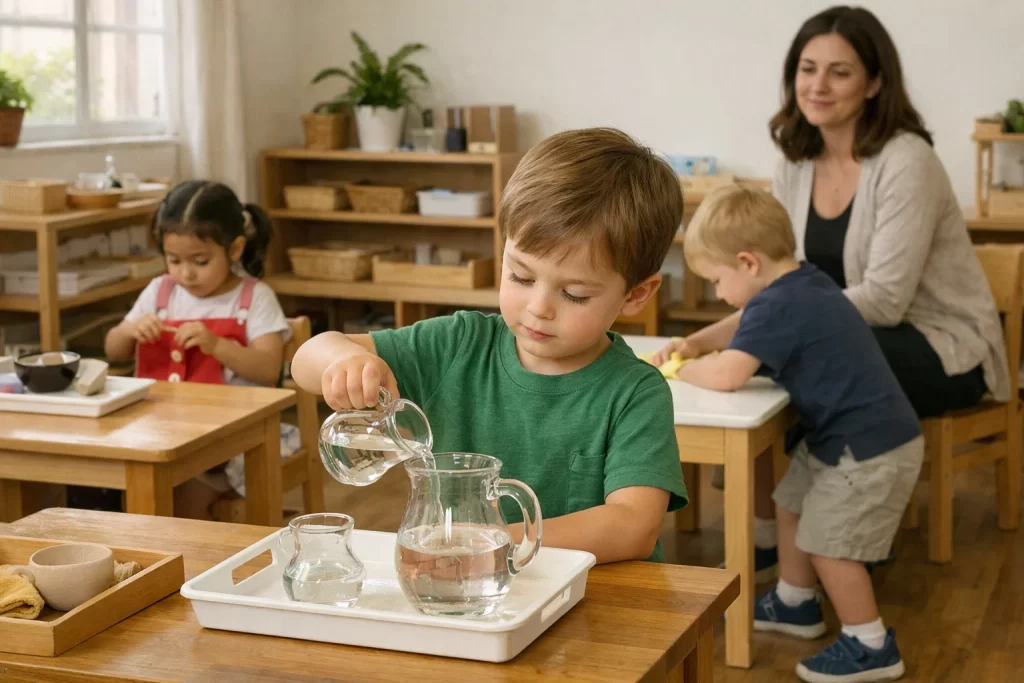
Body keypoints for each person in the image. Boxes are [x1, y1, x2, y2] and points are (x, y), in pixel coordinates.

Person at [655, 4, 1010, 579]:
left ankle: (845, 530)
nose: (818, 85)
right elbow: (779, 291)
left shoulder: (907, 161)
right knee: (773, 357)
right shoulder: (795, 162)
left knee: (787, 362)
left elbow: (882, 301)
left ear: (874, 83)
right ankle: (772, 535)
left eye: (839, 72)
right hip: (838, 328)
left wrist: (748, 340)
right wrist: (705, 340)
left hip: (939, 345)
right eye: (807, 68)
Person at [291, 128, 688, 564]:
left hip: (596, 593)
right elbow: (306, 359)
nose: (539, 308)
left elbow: (634, 526)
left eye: (574, 294)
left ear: (636, 294)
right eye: (521, 276)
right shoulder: (458, 345)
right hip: (465, 583)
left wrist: (491, 541)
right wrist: (345, 359)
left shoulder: (635, 392)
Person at [674, 183, 921, 682]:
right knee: (791, 503)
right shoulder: (802, 281)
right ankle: (794, 600)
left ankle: (870, 644)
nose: (717, 294)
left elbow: (728, 375)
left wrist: (684, 367)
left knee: (829, 542)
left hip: (867, 450)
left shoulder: (779, 304)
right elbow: (743, 320)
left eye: (717, 280)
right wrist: (696, 341)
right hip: (851, 438)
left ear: (748, 263)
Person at [105, 180, 295, 519]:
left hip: (230, 440)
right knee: (132, 494)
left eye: (200, 261)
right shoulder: (161, 292)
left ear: (235, 250)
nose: (186, 273)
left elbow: (268, 368)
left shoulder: (254, 297)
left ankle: (194, 552)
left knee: (182, 502)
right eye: (174, 260)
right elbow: (114, 350)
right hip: (161, 431)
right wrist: (130, 330)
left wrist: (217, 345)